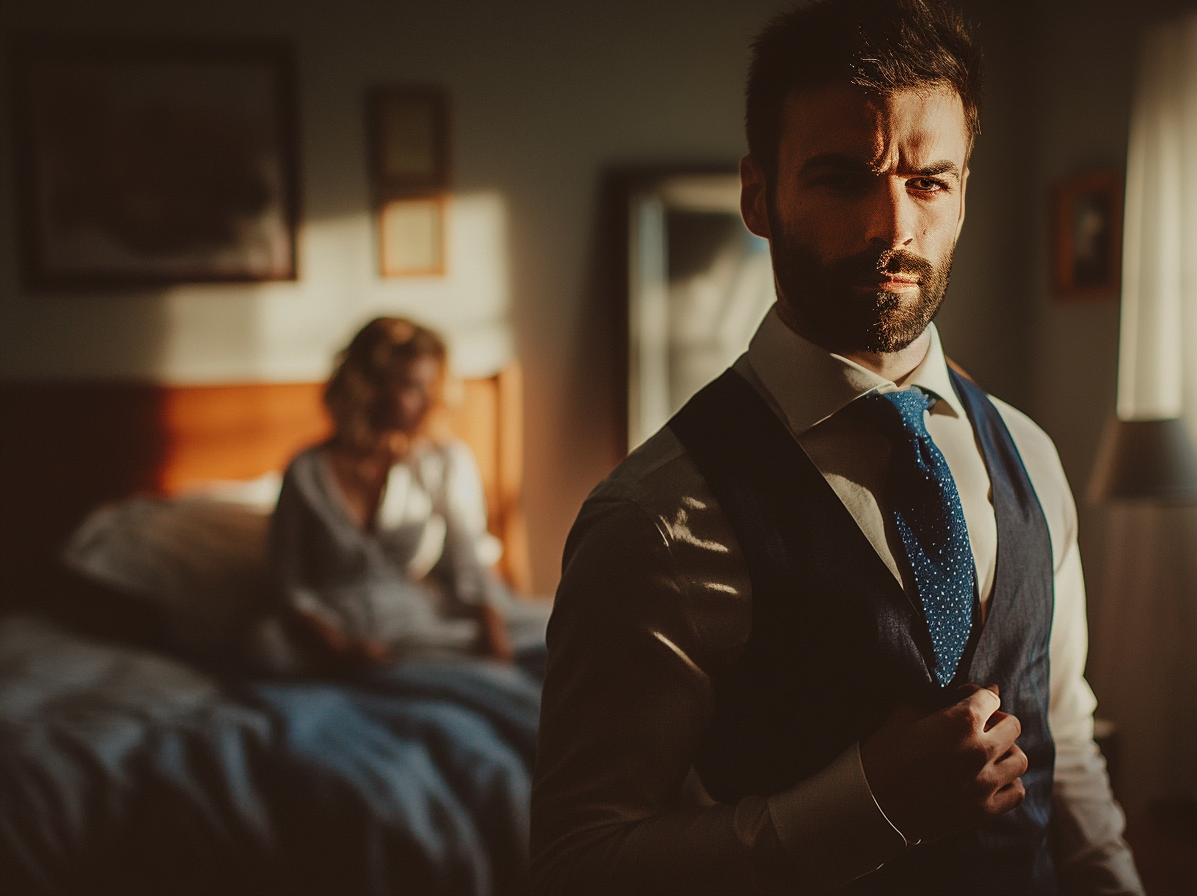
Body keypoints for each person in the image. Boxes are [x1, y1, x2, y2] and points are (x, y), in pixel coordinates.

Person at [531, 1, 1143, 893]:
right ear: (757, 195)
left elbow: (1065, 739)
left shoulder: (1033, 457)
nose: (892, 227)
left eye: (928, 181)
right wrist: (867, 804)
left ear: (964, 190)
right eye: (842, 179)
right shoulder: (656, 520)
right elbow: (576, 865)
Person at [263, 316, 548, 674]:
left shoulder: (444, 462)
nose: (428, 402)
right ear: (368, 388)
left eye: (431, 386)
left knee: (555, 626)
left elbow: (468, 570)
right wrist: (337, 648)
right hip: (329, 632)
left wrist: (495, 642)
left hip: (418, 625)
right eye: (412, 386)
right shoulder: (306, 471)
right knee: (267, 646)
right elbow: (286, 586)